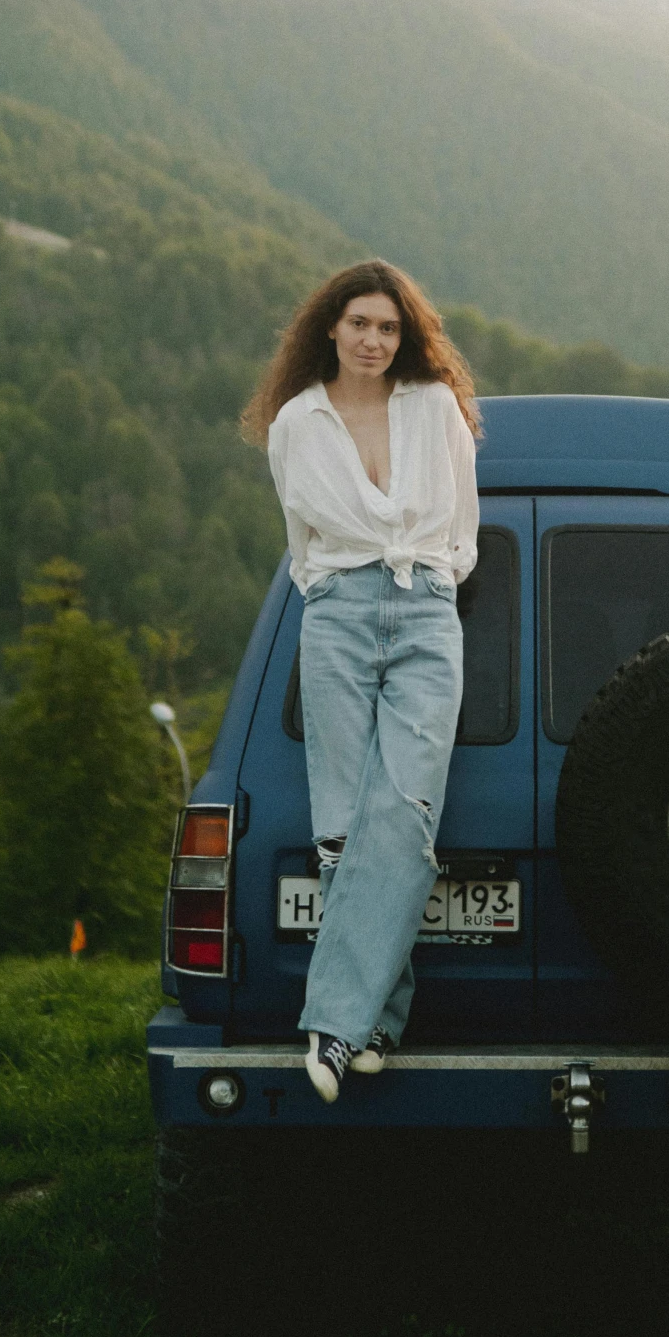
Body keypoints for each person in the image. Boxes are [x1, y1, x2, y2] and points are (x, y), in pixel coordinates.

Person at [241, 260, 480, 1104]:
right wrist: (343, 594)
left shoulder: (435, 408)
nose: (373, 340)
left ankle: (332, 1027)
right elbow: (301, 543)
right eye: (359, 324)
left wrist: (429, 583)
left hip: (425, 614)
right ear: (330, 330)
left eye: (387, 327)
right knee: (341, 824)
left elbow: (463, 527)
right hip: (338, 617)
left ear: (403, 334)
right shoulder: (296, 424)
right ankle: (379, 1016)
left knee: (400, 811)